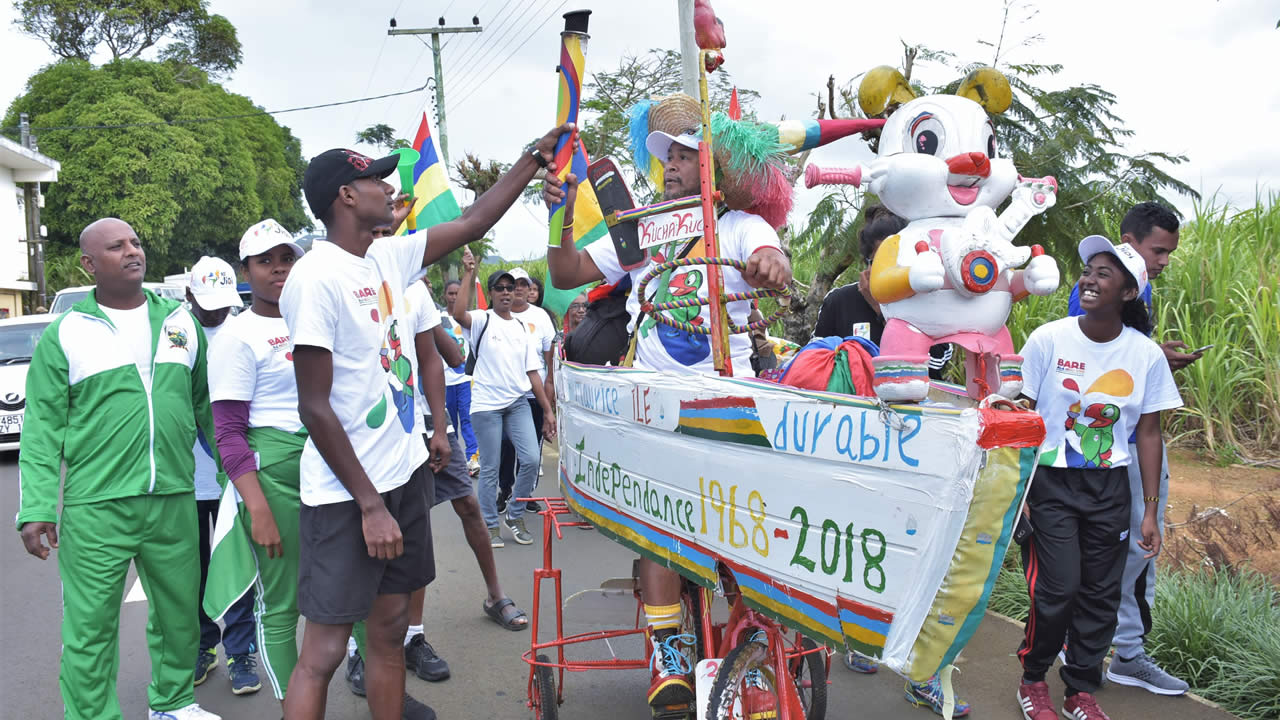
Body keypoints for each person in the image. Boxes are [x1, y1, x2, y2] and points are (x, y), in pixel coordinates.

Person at [280, 124, 570, 720]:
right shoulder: (315, 277)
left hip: (404, 474)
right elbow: (315, 405)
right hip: (346, 496)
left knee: (388, 633)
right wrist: (369, 505)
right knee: (326, 651)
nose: (389, 188)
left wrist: (530, 158)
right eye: (374, 179)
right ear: (345, 197)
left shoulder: (388, 255)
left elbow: (470, 223)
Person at [543, 119, 790, 714]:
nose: (675, 164)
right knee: (659, 523)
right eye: (670, 156)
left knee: (750, 532)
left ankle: (749, 647)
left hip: (730, 406)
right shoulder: (639, 233)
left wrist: (768, 265)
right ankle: (667, 648)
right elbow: (563, 274)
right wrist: (560, 215)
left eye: (688, 156)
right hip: (649, 404)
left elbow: (767, 255)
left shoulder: (737, 224)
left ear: (716, 172)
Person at [18, 217, 222, 720]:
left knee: (179, 619)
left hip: (174, 497)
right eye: (116, 247)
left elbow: (209, 413)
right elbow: (41, 426)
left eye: (135, 242)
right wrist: (37, 506)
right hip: (97, 506)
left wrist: (236, 477)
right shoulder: (66, 332)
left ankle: (173, 703)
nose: (132, 251)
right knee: (90, 628)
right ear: (88, 264)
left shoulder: (180, 322)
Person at [344, 229, 529, 702]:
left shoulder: (413, 293)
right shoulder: (345, 285)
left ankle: (483, 602)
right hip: (375, 439)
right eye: (381, 234)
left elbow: (453, 355)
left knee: (461, 510)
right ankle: (365, 646)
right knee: (387, 542)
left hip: (428, 428)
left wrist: (438, 320)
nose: (388, 242)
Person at [1015, 235, 1181, 720]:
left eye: (1104, 274)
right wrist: (1019, 489)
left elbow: (1148, 435)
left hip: (1110, 488)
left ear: (1129, 293)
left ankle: (1079, 691)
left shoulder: (1144, 355)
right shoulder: (1049, 339)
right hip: (1051, 482)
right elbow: (1023, 415)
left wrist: (1149, 510)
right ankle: (1032, 679)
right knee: (1058, 588)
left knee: (1101, 594)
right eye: (1089, 270)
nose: (1089, 279)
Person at [1064, 202, 1193, 696]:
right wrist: (1151, 357)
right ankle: (1126, 654)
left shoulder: (1141, 291)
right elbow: (1093, 360)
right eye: (1158, 250)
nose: (1163, 260)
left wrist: (1155, 358)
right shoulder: (1096, 290)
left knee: (1122, 550)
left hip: (1124, 440)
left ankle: (1091, 649)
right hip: (1116, 445)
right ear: (1130, 242)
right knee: (1137, 548)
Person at [206, 220, 306, 710]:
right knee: (282, 605)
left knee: (350, 593)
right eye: (266, 261)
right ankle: (296, 706)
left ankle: (373, 681)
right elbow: (227, 431)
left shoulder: (313, 316)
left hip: (329, 472)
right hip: (274, 480)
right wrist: (258, 508)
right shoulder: (237, 336)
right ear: (246, 271)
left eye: (287, 258)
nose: (279, 269)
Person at [185, 255, 262, 697]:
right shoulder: (175, 335)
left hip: (235, 475)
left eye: (224, 302)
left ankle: (241, 650)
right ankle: (203, 645)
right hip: (189, 480)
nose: (216, 311)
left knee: (238, 565)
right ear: (189, 295)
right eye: (206, 302)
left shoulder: (242, 331)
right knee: (193, 572)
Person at [452, 249, 557, 548]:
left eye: (511, 288)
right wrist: (469, 272)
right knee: (491, 467)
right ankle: (490, 524)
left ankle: (515, 513)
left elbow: (533, 373)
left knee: (531, 459)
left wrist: (548, 411)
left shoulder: (523, 328)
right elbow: (458, 314)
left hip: (518, 403)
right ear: (491, 293)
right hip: (487, 407)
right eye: (500, 288)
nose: (507, 293)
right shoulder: (481, 320)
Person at [812, 205, 953, 381]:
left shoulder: (928, 299)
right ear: (868, 262)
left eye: (897, 262)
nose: (888, 270)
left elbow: (937, 362)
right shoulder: (839, 301)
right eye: (880, 261)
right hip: (853, 403)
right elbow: (815, 359)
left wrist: (882, 309)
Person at [496, 267, 556, 513]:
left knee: (531, 449)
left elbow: (549, 364)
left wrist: (548, 406)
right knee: (506, 446)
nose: (518, 288)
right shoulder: (496, 315)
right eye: (512, 284)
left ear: (530, 289)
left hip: (534, 396)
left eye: (523, 284)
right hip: (505, 395)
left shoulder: (541, 317)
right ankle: (505, 490)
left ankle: (524, 494)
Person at [440, 279, 480, 475]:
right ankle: (455, 462)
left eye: (458, 293)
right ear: (444, 296)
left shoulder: (467, 318)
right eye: (451, 293)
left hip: (464, 380)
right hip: (443, 380)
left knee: (467, 419)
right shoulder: (436, 318)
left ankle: (472, 459)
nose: (454, 297)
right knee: (450, 423)